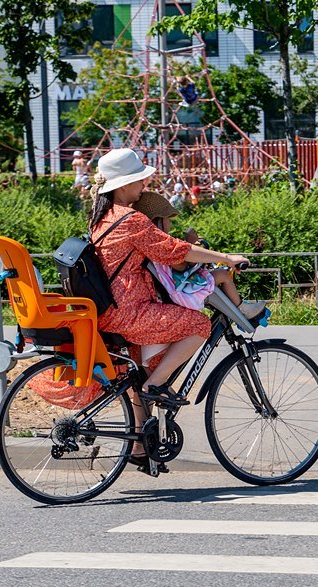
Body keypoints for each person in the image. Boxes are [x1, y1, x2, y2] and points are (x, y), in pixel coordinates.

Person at [91, 148, 250, 457]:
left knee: (136, 370)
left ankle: (139, 445)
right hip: (130, 313)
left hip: (109, 311)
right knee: (198, 323)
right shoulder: (130, 220)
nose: (144, 186)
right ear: (123, 185)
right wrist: (227, 259)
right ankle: (156, 387)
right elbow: (176, 250)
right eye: (139, 181)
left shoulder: (101, 218)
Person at [132, 190, 265, 319]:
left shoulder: (151, 242)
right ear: (158, 222)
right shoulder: (160, 245)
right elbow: (181, 265)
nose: (170, 224)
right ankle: (242, 309)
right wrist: (191, 244)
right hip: (179, 290)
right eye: (168, 219)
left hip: (173, 286)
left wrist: (191, 246)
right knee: (223, 275)